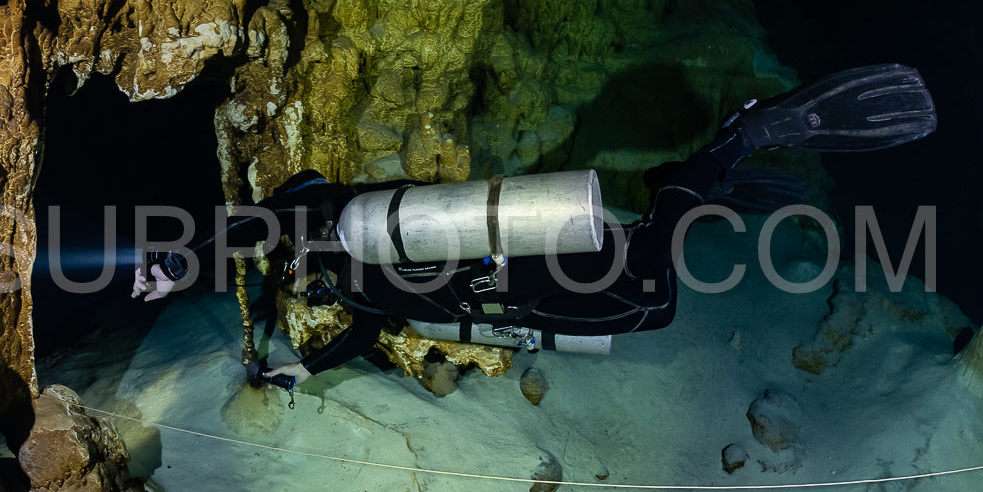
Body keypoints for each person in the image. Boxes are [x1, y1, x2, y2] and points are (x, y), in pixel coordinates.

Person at [133, 64, 936, 389]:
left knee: (648, 277)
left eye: (289, 263)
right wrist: (303, 374)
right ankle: (691, 191)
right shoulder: (352, 286)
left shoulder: (334, 217)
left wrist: (180, 262)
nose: (294, 271)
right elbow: (357, 338)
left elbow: (258, 224)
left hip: (520, 257)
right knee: (654, 305)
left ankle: (741, 137)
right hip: (514, 299)